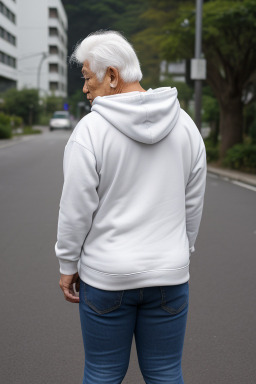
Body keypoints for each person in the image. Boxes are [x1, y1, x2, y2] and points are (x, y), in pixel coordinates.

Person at [55, 30, 206, 384]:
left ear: (111, 75)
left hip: (106, 277)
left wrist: (67, 264)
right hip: (169, 275)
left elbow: (75, 209)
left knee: (103, 373)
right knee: (166, 373)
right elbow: (193, 201)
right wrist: (181, 250)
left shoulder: (90, 131)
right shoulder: (185, 126)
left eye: (87, 77)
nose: (84, 88)